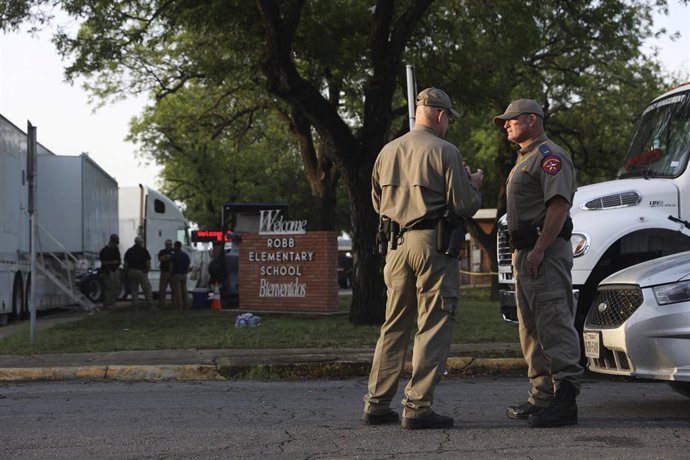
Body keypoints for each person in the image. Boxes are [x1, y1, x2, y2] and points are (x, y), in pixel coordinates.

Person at [362, 87, 483, 430]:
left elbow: (375, 201)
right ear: (441, 115)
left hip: (396, 248)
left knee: (393, 326)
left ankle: (376, 403)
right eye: (449, 120)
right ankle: (417, 406)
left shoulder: (387, 151)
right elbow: (464, 205)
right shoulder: (445, 151)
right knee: (432, 325)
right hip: (432, 244)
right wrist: (474, 183)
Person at [493, 99, 583, 427]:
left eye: (511, 119)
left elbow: (558, 207)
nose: (506, 124)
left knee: (554, 321)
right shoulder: (525, 158)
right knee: (530, 328)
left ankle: (566, 397)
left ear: (532, 119)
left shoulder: (550, 157)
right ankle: (542, 395)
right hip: (526, 253)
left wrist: (540, 249)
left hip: (543, 252)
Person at [123, 236, 155, 310]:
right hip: (141, 272)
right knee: (147, 288)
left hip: (131, 271)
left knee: (134, 290)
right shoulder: (144, 250)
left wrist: (126, 272)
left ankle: (135, 306)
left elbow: (126, 263)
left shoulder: (129, 250)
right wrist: (147, 270)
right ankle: (150, 305)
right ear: (141, 243)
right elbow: (148, 262)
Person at [99, 233, 121, 309]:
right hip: (107, 271)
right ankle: (107, 304)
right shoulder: (105, 251)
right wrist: (113, 262)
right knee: (108, 287)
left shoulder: (116, 250)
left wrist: (116, 263)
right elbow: (103, 262)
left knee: (115, 287)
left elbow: (119, 260)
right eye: (115, 243)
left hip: (114, 270)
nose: (116, 245)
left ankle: (112, 303)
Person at [171, 241, 191, 310]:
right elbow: (188, 265)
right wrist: (186, 271)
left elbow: (171, 265)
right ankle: (187, 305)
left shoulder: (174, 255)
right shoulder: (185, 255)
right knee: (184, 291)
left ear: (176, 246)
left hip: (177, 274)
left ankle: (180, 306)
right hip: (184, 275)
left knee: (178, 291)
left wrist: (171, 273)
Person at [157, 239, 175, 308]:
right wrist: (169, 257)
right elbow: (160, 258)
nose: (168, 245)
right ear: (165, 245)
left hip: (173, 273)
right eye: (167, 244)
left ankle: (174, 304)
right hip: (164, 272)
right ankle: (161, 304)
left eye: (170, 244)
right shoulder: (162, 251)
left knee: (174, 289)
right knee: (162, 289)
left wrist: (167, 257)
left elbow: (175, 259)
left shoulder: (174, 251)